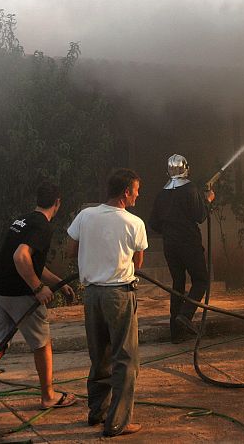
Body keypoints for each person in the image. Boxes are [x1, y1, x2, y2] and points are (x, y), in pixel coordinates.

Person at [0, 181, 77, 430]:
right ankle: (48, 396)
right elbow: (20, 257)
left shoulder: (21, 221)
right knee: (42, 344)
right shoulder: (42, 227)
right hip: (18, 294)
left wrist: (57, 284)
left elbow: (31, 262)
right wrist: (37, 288)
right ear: (58, 203)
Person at [66, 168, 148, 437]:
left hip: (91, 294)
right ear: (126, 192)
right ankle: (117, 423)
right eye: (136, 189)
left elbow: (71, 251)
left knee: (99, 354)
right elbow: (138, 262)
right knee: (125, 359)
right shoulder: (134, 223)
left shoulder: (85, 215)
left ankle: (98, 413)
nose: (138, 194)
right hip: (119, 295)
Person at [148, 154, 214, 343]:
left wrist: (169, 231)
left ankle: (176, 334)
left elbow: (153, 223)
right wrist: (208, 199)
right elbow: (200, 216)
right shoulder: (190, 189)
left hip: (170, 246)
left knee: (178, 284)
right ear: (186, 168)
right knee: (201, 280)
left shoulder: (162, 194)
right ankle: (185, 315)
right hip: (189, 244)